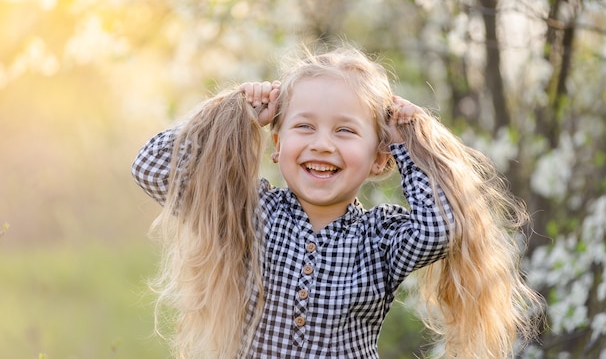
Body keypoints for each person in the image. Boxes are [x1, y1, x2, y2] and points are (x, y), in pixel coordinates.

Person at [131, 46, 541, 359]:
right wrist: (233, 112)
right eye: (304, 126)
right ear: (278, 144)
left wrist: (412, 142)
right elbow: (151, 168)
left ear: (380, 157)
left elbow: (441, 228)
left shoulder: (380, 240)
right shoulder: (248, 213)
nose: (322, 144)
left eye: (345, 131)